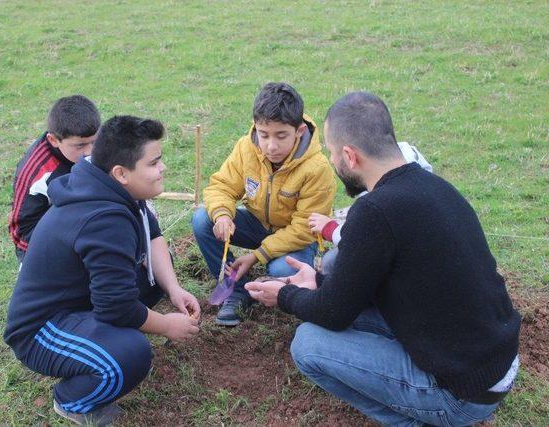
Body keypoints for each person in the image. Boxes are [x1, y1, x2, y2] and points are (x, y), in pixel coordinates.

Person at [245, 92, 521, 426]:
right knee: (339, 313)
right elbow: (364, 285)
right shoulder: (433, 185)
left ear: (349, 156)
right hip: (494, 363)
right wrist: (316, 283)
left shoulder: (374, 211)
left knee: (308, 344)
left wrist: (286, 295)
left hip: (462, 393)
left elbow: (333, 314)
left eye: (332, 154)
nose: (333, 163)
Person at [4, 115, 201, 425]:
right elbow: (117, 306)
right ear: (121, 173)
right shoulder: (104, 220)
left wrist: (174, 289)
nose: (162, 168)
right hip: (43, 329)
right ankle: (72, 401)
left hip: (81, 302)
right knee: (130, 356)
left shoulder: (107, 185)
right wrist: (165, 325)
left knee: (155, 279)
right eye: (154, 163)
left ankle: (102, 340)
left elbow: (153, 236)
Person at [191, 82, 336, 326]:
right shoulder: (246, 147)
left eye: (281, 136)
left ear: (299, 131)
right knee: (203, 218)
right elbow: (222, 186)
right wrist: (223, 216)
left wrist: (257, 256)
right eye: (264, 134)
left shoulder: (318, 169)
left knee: (282, 270)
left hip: (296, 239)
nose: (271, 145)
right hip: (258, 224)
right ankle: (235, 289)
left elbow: (303, 228)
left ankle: (266, 282)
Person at [309, 141, 432, 272]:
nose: (331, 160)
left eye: (333, 153)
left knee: (330, 262)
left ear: (351, 156)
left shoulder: (379, 200)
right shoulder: (404, 162)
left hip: (407, 266)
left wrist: (330, 229)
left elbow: (361, 241)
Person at [8, 95, 100, 263]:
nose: (89, 152)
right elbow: (21, 232)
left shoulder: (91, 142)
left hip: (83, 224)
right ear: (54, 140)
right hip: (47, 247)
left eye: (94, 142)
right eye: (80, 145)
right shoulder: (37, 172)